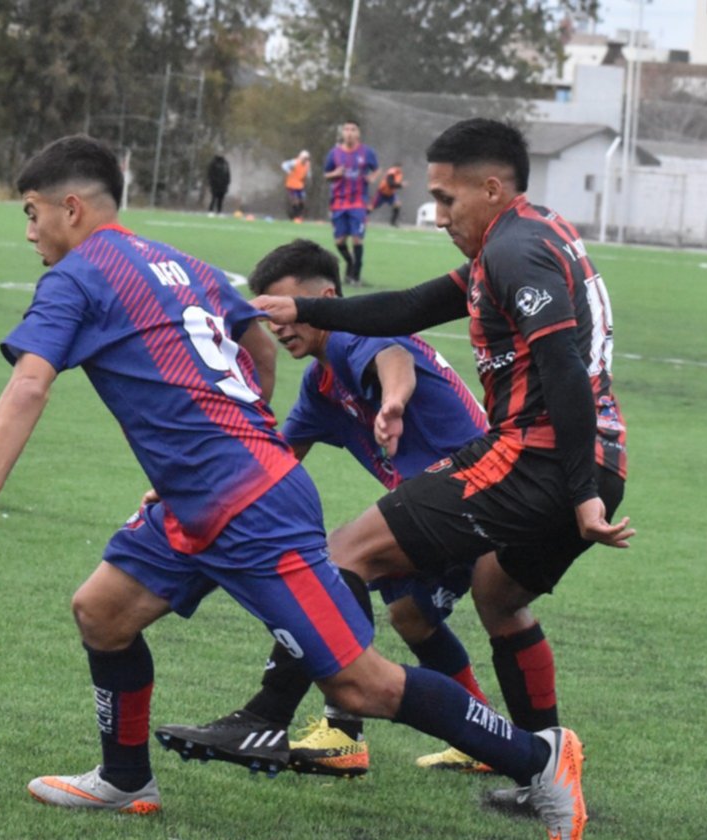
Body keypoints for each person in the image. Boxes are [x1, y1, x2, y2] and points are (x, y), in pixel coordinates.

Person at [0, 133, 589, 840]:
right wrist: (239, 419)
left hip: (247, 503)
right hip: (200, 494)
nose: (29, 233)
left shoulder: (76, 275)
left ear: (70, 208)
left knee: (360, 683)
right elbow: (254, 339)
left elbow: (30, 383)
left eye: (31, 215)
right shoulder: (179, 261)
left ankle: (539, 760)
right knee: (102, 611)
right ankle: (125, 780)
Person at [257, 117, 633, 815]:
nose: (437, 215)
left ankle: (275, 717)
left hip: (542, 458)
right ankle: (542, 768)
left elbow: (564, 370)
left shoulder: (517, 251)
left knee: (347, 550)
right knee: (497, 596)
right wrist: (306, 306)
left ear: (490, 189)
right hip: (590, 456)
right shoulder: (527, 235)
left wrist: (580, 494)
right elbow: (410, 307)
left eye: (446, 199)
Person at [154, 239, 498, 778]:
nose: (281, 327)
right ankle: (486, 736)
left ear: (326, 298)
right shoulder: (320, 385)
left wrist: (393, 401)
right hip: (455, 501)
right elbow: (274, 458)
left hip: (474, 491)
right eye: (270, 318)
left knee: (337, 564)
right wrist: (194, 485)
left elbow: (394, 357)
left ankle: (323, 728)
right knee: (411, 617)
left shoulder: (353, 337)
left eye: (288, 312)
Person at [323, 120, 377, 286]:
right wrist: (336, 173)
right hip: (339, 203)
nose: (349, 132)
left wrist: (372, 178)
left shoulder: (367, 152)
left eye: (353, 129)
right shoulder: (334, 153)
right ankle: (350, 262)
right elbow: (326, 174)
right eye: (346, 129)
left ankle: (355, 276)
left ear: (358, 133)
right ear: (342, 132)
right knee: (339, 241)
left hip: (358, 203)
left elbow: (376, 169)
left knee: (357, 240)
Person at [370, 163, 404, 227]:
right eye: (399, 167)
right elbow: (390, 183)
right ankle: (361, 218)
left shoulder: (399, 174)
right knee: (371, 207)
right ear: (396, 167)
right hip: (382, 193)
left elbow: (394, 185)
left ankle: (393, 221)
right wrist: (401, 185)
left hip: (390, 194)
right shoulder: (391, 172)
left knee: (397, 205)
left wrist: (400, 185)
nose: (400, 169)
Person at [281, 150, 310, 222]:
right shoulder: (295, 162)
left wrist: (308, 177)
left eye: (306, 158)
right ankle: (296, 216)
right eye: (304, 158)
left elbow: (308, 173)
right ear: (300, 157)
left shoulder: (307, 164)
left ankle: (298, 215)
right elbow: (284, 165)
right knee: (295, 200)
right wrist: (289, 171)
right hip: (291, 184)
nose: (305, 160)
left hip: (300, 185)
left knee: (302, 200)